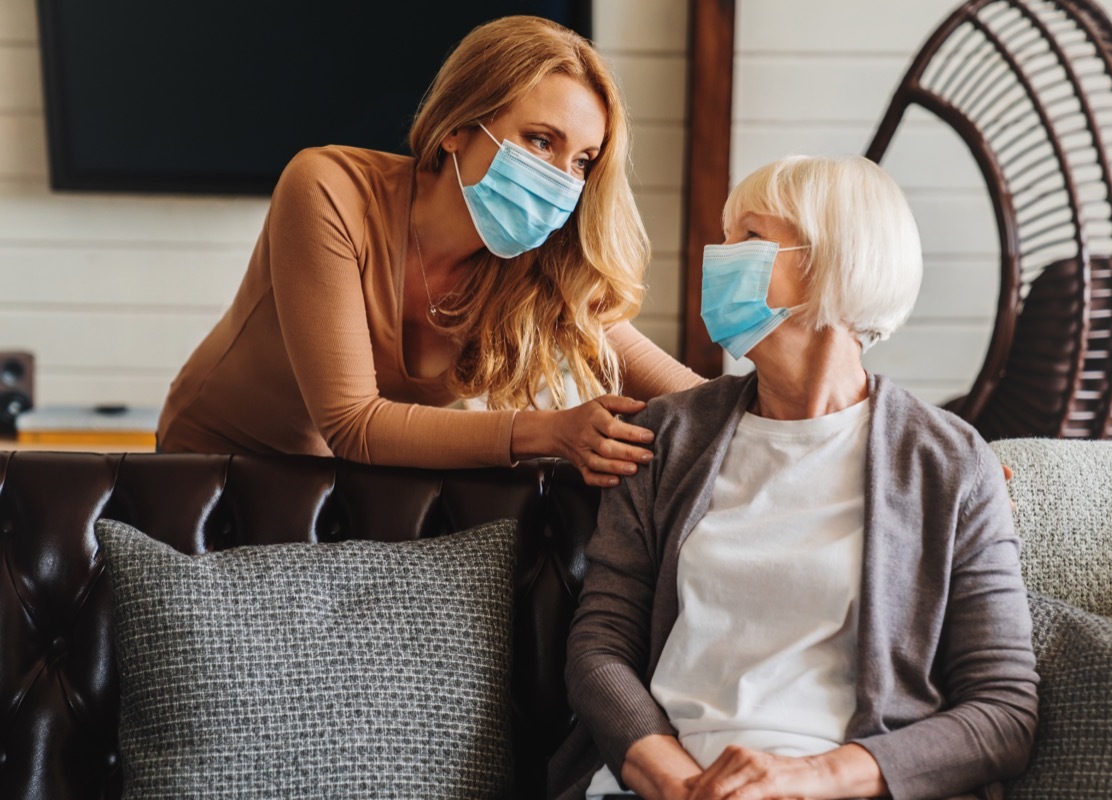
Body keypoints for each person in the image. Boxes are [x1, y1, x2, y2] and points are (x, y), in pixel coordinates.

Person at [549, 155, 1038, 800]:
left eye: (749, 237)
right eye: (725, 237)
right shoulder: (666, 438)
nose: (718, 258)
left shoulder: (949, 463)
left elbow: (1003, 714)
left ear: (837, 261)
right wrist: (675, 781)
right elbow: (600, 649)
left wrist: (811, 780)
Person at [155, 16, 702, 485]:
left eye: (582, 161)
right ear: (456, 128)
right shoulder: (327, 190)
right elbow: (353, 424)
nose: (562, 180)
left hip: (353, 484)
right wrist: (551, 432)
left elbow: (685, 394)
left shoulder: (540, 264)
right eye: (541, 141)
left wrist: (750, 406)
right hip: (216, 464)